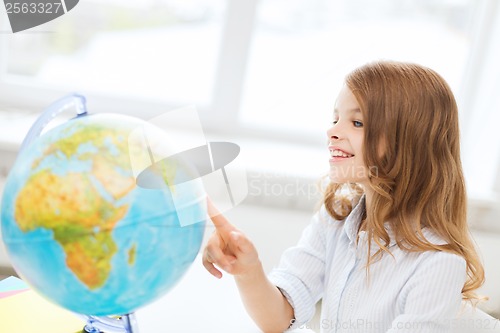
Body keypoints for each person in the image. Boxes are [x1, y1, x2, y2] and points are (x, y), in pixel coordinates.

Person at [202, 60, 485, 333]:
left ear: (409, 143)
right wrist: (248, 270)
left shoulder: (438, 263)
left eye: (357, 123)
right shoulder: (337, 219)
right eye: (336, 118)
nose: (332, 131)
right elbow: (277, 319)